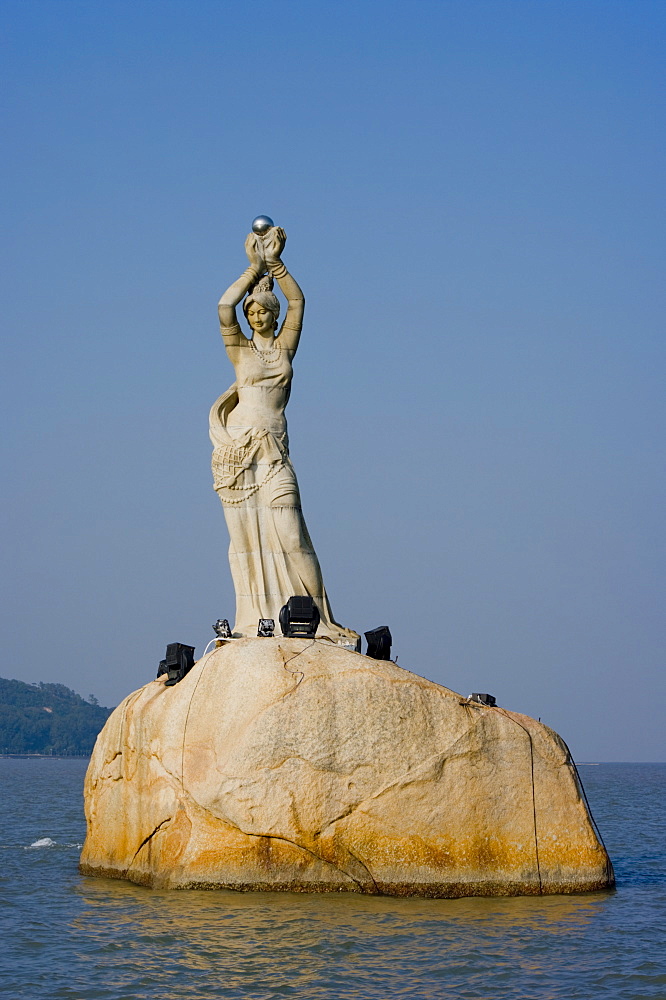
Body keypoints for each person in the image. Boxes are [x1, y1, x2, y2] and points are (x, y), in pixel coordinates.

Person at [210, 226, 358, 646]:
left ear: (272, 314)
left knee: (292, 535)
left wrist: (276, 266)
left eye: (262, 311)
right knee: (242, 543)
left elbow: (298, 300)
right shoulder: (239, 349)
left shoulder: (285, 348)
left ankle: (321, 616)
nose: (256, 316)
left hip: (275, 453)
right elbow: (224, 307)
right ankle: (253, 615)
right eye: (252, 312)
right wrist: (252, 269)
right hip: (238, 453)